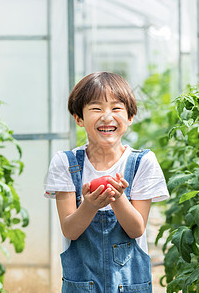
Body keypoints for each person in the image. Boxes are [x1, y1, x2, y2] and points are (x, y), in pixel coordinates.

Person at [44, 72, 169, 292]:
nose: (107, 116)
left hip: (130, 284)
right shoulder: (65, 163)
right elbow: (70, 231)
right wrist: (89, 206)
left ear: (130, 117)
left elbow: (136, 229)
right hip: (82, 285)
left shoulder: (142, 162)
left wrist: (118, 198)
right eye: (96, 108)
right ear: (79, 118)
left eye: (116, 108)